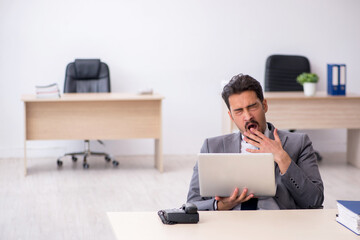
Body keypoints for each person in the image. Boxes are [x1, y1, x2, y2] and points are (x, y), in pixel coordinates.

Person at [187, 74, 324, 210]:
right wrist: (221, 205)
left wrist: (282, 158)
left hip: (279, 225)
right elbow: (191, 204)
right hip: (230, 226)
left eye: (252, 107)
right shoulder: (212, 147)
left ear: (264, 105)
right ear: (231, 116)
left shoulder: (299, 143)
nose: (248, 116)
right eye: (239, 111)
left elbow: (314, 201)